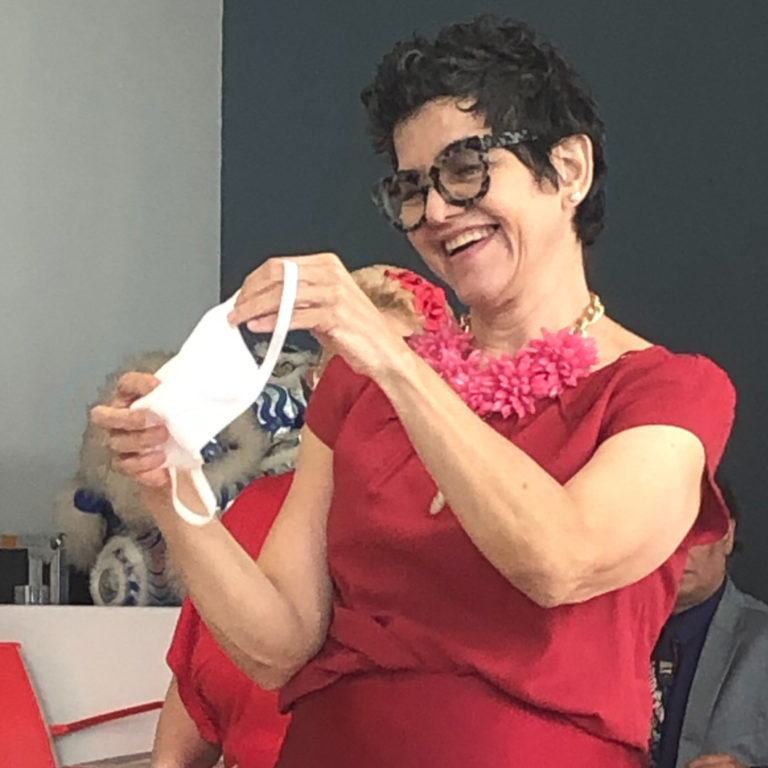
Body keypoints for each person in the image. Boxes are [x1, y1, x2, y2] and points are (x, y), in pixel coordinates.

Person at [92, 15, 736, 768]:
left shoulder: (666, 391)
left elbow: (560, 560)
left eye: (465, 169)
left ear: (569, 169)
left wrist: (395, 364)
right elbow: (277, 647)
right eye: (411, 187)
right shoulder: (357, 388)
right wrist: (170, 485)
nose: (434, 212)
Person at [151, 266, 446, 768]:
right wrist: (164, 480)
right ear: (316, 384)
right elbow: (184, 736)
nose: (370, 392)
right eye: (349, 372)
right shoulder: (255, 513)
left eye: (398, 370)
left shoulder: (456, 530)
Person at [651, 487, 768, 768]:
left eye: (695, 530)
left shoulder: (762, 642)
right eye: (665, 531)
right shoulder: (600, 639)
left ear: (727, 535)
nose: (678, 548)